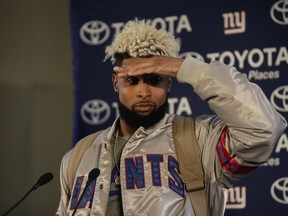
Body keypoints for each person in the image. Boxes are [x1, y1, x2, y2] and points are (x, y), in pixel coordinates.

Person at [55, 19, 287, 216]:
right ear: (116, 83)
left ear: (169, 82)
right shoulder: (79, 156)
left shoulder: (198, 140)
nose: (143, 92)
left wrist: (189, 69)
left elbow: (263, 129)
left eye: (155, 79)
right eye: (132, 81)